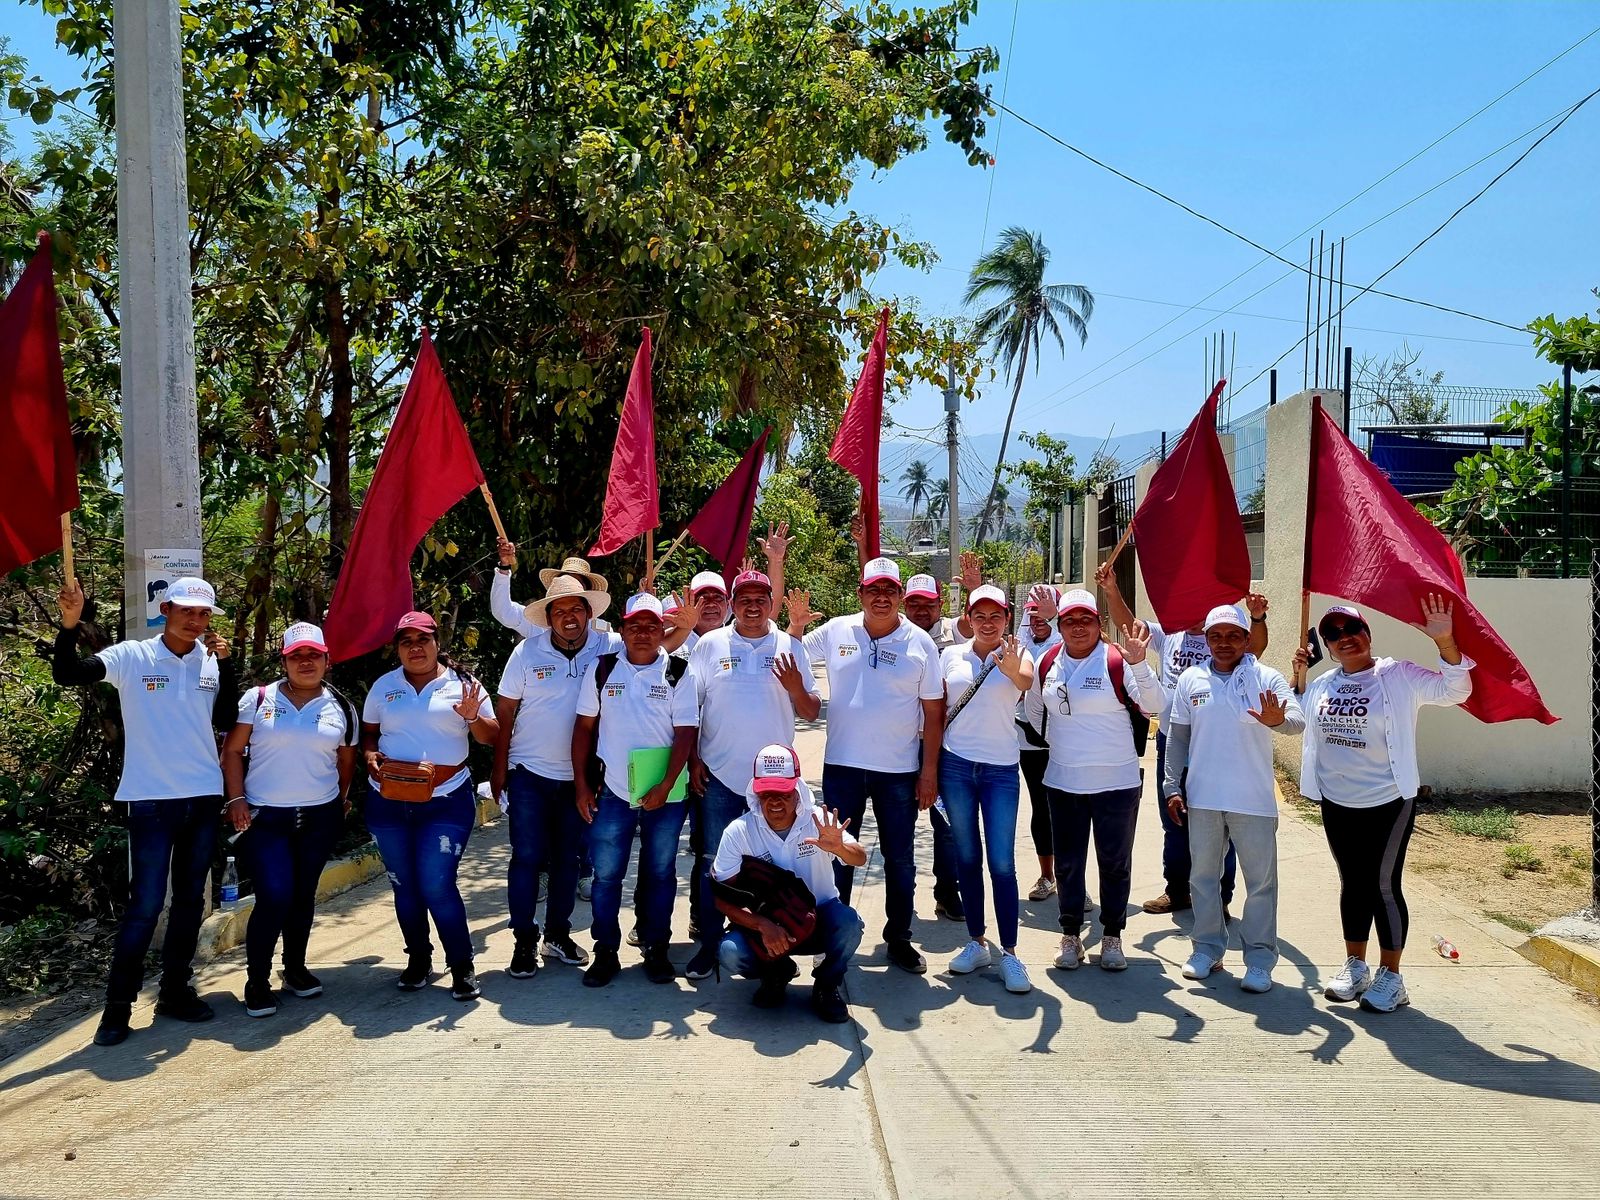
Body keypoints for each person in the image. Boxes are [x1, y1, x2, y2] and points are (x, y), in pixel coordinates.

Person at [53, 577, 238, 1047]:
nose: (194, 621)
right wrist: (70, 625)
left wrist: (229, 666)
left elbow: (223, 718)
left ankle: (175, 991)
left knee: (191, 900)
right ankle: (116, 1010)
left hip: (202, 797)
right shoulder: (131, 656)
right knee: (146, 905)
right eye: (185, 611)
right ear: (166, 607)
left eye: (203, 614)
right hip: (152, 800)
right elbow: (68, 673)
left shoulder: (209, 661)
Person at [1295, 596, 1472, 1014]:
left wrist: (1445, 642)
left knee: (1382, 885)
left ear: (1367, 635)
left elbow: (1455, 690)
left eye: (1351, 630)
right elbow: (1297, 717)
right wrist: (1298, 676)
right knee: (1351, 883)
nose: (1344, 639)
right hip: (1337, 800)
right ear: (1328, 645)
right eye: (1333, 635)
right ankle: (1355, 966)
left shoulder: (1398, 675)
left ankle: (1392, 977)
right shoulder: (1323, 684)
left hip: (1388, 800)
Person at [792, 557, 943, 974]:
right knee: (835, 853)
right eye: (872, 590)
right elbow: (789, 652)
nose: (881, 597)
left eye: (889, 591)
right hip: (842, 766)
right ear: (860, 594)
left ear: (899, 597)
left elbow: (934, 713)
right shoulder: (838, 630)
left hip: (898, 771)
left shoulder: (920, 643)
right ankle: (833, 936)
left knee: (900, 859)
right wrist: (796, 626)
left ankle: (899, 939)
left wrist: (928, 771)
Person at [1093, 563, 1268, 919]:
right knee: (1173, 819)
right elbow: (1130, 626)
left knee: (1222, 823)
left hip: (1213, 747)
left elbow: (1256, 648)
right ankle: (1177, 890)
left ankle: (1219, 898)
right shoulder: (1168, 633)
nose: (1191, 612)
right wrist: (1111, 589)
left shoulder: (1221, 636)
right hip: (1172, 740)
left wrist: (1258, 618)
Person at [683, 570, 820, 982]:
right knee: (712, 864)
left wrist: (796, 687)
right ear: (732, 603)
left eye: (762, 597)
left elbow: (811, 710)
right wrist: (693, 760)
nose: (753, 605)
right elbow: (689, 709)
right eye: (745, 598)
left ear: (770, 602)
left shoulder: (789, 645)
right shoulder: (709, 645)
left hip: (773, 788)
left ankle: (780, 941)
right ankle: (709, 946)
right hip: (720, 778)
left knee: (775, 867)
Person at [1163, 605, 1304, 994]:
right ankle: (1207, 948)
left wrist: (1277, 721)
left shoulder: (1266, 677)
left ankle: (1259, 959)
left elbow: (1296, 721)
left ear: (1246, 639)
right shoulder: (1191, 679)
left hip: (1252, 800)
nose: (1223, 643)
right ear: (1206, 640)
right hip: (1204, 798)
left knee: (1259, 883)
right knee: (1203, 878)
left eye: (1232, 636)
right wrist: (1171, 786)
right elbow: (1177, 738)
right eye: (1215, 636)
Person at [220, 623, 358, 1018]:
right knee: (275, 895)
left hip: (320, 817)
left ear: (327, 661)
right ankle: (256, 981)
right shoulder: (257, 699)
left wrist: (341, 800)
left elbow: (346, 761)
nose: (306, 662)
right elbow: (232, 751)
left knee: (302, 895)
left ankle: (295, 970)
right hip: (266, 818)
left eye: (313, 655)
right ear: (284, 661)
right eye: (296, 655)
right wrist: (236, 798)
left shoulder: (341, 707)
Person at [361, 612, 499, 1002]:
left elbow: (492, 737)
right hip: (388, 801)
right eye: (406, 641)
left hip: (446, 801)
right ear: (397, 648)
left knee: (436, 884)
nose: (415, 647)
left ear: (437, 642)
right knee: (404, 886)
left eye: (422, 639)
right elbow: (369, 733)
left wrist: (473, 718)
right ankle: (418, 959)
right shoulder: (384, 686)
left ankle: (462, 965)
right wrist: (369, 754)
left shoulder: (464, 685)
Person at [491, 576, 618, 980]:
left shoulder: (608, 649)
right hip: (529, 773)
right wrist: (498, 768)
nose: (569, 617)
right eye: (559, 611)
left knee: (567, 860)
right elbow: (505, 712)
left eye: (576, 609)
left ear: (589, 614)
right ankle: (524, 939)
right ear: (547, 618)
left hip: (580, 778)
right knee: (527, 859)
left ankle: (558, 934)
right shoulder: (526, 653)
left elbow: (655, 645)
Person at [1031, 589, 1163, 972]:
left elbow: (1155, 705)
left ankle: (1112, 936)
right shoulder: (1048, 662)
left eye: (1085, 620)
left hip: (1117, 785)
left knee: (1114, 862)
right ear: (1059, 625)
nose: (1077, 627)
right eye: (1069, 620)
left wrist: (1139, 664)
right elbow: (1034, 710)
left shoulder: (1117, 660)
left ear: (1098, 624)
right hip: (1063, 782)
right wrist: (1064, 748)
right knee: (1069, 865)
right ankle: (1070, 935)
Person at [572, 593, 700, 987]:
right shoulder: (602, 669)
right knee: (607, 876)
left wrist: (664, 785)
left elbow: (686, 734)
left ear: (664, 631)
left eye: (651, 625)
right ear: (623, 630)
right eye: (635, 625)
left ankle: (656, 948)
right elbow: (583, 730)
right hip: (612, 791)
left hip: (666, 793)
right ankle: (605, 952)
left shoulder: (679, 672)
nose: (643, 633)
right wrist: (581, 786)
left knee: (661, 873)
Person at [713, 745, 865, 1022]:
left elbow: (860, 858)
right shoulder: (739, 831)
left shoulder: (819, 821)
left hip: (818, 918)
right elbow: (721, 897)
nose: (775, 803)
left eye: (783, 794)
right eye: (767, 794)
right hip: (767, 926)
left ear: (797, 791)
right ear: (755, 793)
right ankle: (776, 973)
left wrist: (840, 847)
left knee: (850, 923)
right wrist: (762, 924)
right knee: (730, 952)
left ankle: (827, 985)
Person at [938, 585, 1035, 993]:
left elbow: (1026, 682)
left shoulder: (1018, 653)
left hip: (1000, 770)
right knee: (966, 857)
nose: (988, 622)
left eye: (996, 615)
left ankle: (1010, 953)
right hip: (956, 766)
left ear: (1007, 617)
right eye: (980, 614)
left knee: (1001, 863)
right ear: (969, 617)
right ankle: (977, 942)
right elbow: (936, 706)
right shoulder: (950, 655)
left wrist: (1010, 666)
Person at [900, 570, 971, 920]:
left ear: (939, 605)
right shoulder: (895, 633)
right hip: (902, 745)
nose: (920, 610)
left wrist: (974, 585)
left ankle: (947, 891)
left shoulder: (954, 633)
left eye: (927, 604)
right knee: (902, 825)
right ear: (904, 604)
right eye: (913, 603)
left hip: (945, 746)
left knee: (946, 825)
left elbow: (980, 624)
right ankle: (903, 898)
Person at [1014, 587, 1062, 902]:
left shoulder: (1067, 642)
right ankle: (1047, 876)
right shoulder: (1022, 644)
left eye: (1045, 613)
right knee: (1040, 808)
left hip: (1065, 739)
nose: (1037, 618)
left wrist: (1055, 617)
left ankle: (1075, 881)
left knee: (1068, 811)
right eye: (1032, 613)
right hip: (1028, 738)